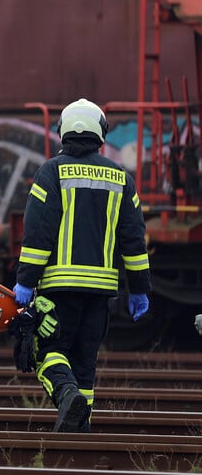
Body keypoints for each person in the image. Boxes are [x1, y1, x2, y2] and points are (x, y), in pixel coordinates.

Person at [13, 98, 151, 433]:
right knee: (86, 360)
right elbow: (134, 240)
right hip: (101, 292)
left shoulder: (50, 172)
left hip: (59, 287)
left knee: (49, 350)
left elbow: (38, 232)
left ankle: (66, 395)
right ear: (101, 133)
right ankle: (81, 427)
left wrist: (26, 281)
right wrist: (140, 289)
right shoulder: (121, 178)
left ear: (62, 132)